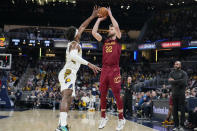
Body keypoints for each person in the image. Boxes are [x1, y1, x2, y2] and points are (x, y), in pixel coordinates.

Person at [56, 6, 101, 131]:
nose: (80, 31)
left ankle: (61, 125)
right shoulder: (75, 44)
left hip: (70, 73)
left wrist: (92, 16)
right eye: (78, 31)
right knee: (66, 96)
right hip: (68, 72)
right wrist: (89, 64)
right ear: (76, 35)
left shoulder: (74, 41)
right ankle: (63, 126)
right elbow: (73, 56)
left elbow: (82, 26)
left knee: (69, 99)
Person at [92, 7, 125, 131]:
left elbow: (116, 26)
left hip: (114, 70)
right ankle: (103, 117)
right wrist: (99, 20)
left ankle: (121, 119)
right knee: (103, 95)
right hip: (104, 70)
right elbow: (94, 33)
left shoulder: (119, 39)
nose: (109, 30)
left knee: (116, 94)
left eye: (111, 29)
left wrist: (110, 14)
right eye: (109, 28)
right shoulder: (105, 41)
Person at [168, 61, 188, 131]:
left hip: (181, 94)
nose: (176, 65)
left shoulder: (184, 73)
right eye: (175, 64)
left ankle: (182, 125)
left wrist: (174, 81)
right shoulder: (171, 73)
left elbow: (184, 82)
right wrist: (178, 81)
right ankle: (176, 125)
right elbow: (169, 81)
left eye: (177, 64)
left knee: (182, 110)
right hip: (174, 94)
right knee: (174, 110)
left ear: (180, 65)